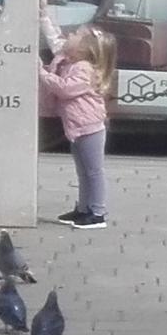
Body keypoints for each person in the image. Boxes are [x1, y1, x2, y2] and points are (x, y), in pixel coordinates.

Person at [38, 18, 116, 228]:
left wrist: (41, 72)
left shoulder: (83, 68)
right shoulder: (69, 60)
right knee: (83, 171)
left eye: (75, 35)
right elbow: (55, 40)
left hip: (90, 127)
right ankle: (83, 209)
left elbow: (65, 88)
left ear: (84, 49)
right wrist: (44, 16)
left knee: (93, 171)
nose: (69, 35)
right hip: (78, 127)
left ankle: (98, 212)